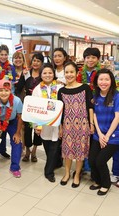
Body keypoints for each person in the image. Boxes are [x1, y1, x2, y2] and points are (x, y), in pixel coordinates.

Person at [58, 61, 94, 188]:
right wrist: (60, 127)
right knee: (68, 151)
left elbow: (90, 107)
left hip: (83, 125)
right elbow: (60, 111)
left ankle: (77, 174)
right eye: (66, 72)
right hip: (67, 125)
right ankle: (67, 173)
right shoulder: (61, 91)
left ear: (76, 73)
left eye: (71, 72)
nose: (69, 74)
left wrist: (91, 124)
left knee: (79, 152)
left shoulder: (85, 88)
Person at [88, 68, 119, 196]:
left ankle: (105, 184)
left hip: (113, 136)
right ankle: (98, 181)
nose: (104, 82)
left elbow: (117, 117)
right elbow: (94, 114)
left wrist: (106, 136)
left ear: (111, 81)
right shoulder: (95, 96)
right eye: (101, 79)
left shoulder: (116, 96)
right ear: (97, 81)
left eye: (107, 79)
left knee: (100, 160)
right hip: (98, 134)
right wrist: (100, 135)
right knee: (91, 159)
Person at [32, 63, 63, 182]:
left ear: (54, 74)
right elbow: (34, 109)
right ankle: (56, 163)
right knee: (47, 146)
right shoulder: (37, 89)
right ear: (41, 75)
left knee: (55, 147)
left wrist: (61, 126)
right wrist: (36, 126)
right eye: (45, 73)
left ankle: (48, 171)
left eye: (50, 72)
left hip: (57, 123)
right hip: (43, 124)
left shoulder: (60, 87)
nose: (48, 75)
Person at [76, 47, 101, 173]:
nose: (90, 60)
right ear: (84, 59)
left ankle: (92, 166)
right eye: (88, 57)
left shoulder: (102, 73)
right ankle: (83, 166)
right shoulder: (80, 73)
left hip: (98, 109)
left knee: (94, 138)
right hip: (82, 110)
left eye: (93, 57)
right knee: (83, 138)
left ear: (98, 59)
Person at [19, 52, 44, 163]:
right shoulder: (26, 73)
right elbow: (19, 87)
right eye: (34, 60)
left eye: (38, 61)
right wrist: (22, 76)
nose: (35, 63)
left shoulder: (44, 74)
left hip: (40, 105)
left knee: (38, 129)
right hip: (28, 105)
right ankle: (28, 150)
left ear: (42, 63)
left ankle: (34, 151)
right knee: (27, 129)